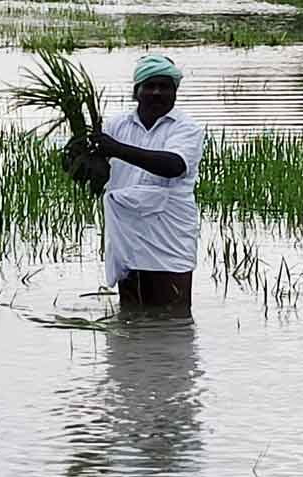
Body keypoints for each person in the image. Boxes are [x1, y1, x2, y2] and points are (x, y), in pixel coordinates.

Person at [90, 55, 205, 316]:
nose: (156, 92)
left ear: (175, 92)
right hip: (127, 233)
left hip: (168, 234)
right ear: (136, 91)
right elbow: (101, 173)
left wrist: (116, 149)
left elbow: (174, 165)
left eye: (164, 86)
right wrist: (82, 160)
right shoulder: (117, 125)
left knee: (173, 317)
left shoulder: (186, 129)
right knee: (131, 316)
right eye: (149, 85)